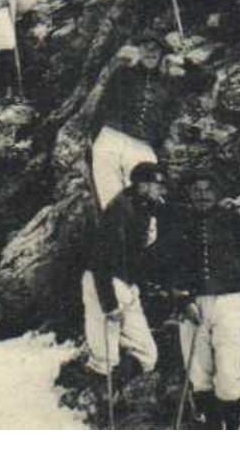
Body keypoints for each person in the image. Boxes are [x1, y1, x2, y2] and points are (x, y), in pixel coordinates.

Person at [154, 170, 240, 430]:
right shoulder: (176, 224)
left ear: (217, 192)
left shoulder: (235, 222)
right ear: (189, 194)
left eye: (208, 189)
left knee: (228, 370)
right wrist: (182, 300)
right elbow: (166, 266)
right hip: (190, 305)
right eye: (196, 190)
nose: (202, 194)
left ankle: (233, 428)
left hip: (228, 302)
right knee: (199, 372)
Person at [83, 162, 168, 409]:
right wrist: (109, 304)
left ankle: (117, 393)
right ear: (140, 185)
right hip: (104, 282)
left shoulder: (146, 208)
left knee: (147, 354)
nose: (160, 190)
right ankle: (98, 407)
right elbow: (101, 261)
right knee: (104, 355)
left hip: (128, 285)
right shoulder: (119, 210)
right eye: (155, 184)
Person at [85, 37, 185, 210]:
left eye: (156, 49)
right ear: (139, 51)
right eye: (146, 48)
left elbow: (170, 116)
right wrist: (93, 139)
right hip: (111, 138)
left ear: (163, 54)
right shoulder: (123, 73)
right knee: (110, 198)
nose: (151, 53)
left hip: (142, 145)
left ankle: (145, 237)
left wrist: (186, 64)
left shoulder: (169, 83)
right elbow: (103, 105)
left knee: (149, 198)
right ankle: (115, 235)